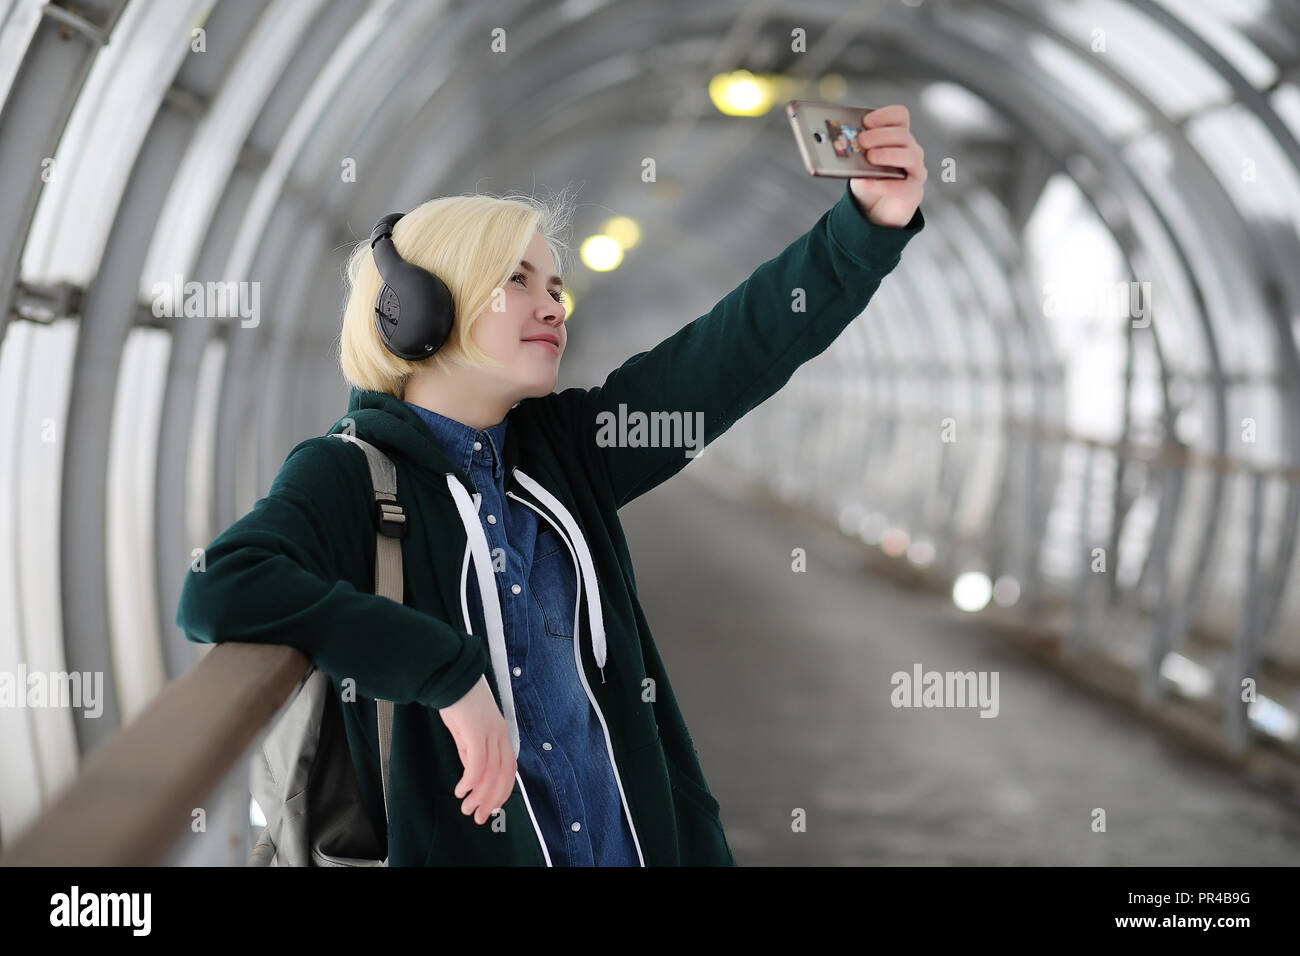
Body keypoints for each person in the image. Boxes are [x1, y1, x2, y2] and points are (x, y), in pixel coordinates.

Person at [175, 105, 927, 866]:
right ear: (420, 313)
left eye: (557, 285)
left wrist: (865, 225)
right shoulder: (346, 472)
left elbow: (730, 353)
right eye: (517, 279)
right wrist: (444, 673)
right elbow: (221, 587)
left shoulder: (571, 449)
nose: (553, 304)